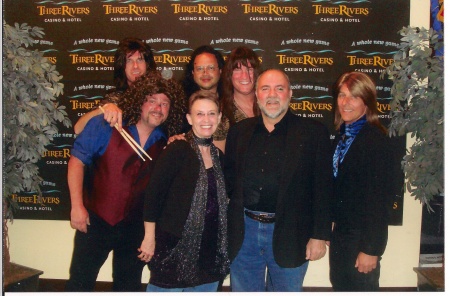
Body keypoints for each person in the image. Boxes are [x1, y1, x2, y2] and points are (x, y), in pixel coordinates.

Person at [65, 72, 186, 292]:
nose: (158, 108)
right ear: (140, 101)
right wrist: (76, 207)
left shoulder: (166, 142)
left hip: (135, 229)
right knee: (79, 283)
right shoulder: (108, 125)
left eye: (165, 104)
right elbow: (76, 162)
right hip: (95, 222)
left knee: (128, 286)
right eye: (152, 101)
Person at [224, 69, 333, 292]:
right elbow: (229, 183)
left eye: (279, 88)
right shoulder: (238, 132)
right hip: (244, 233)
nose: (272, 95)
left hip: (292, 233)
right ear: (257, 94)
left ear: (290, 94)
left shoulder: (313, 133)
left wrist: (319, 235)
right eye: (265, 89)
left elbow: (323, 188)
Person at [139, 90, 229, 292]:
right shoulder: (177, 149)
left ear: (219, 118)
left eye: (212, 113)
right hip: (174, 248)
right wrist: (148, 238)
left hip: (209, 251)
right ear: (189, 118)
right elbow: (153, 196)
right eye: (199, 114)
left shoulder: (219, 157)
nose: (206, 119)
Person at [329, 71, 393, 291]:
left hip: (361, 241)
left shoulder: (374, 141)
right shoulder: (344, 137)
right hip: (342, 237)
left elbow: (379, 201)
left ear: (367, 102)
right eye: (342, 95)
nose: (345, 102)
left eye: (354, 97)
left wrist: (371, 249)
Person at [73, 37, 157, 134]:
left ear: (147, 64)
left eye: (140, 60)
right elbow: (78, 128)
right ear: (122, 66)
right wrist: (104, 109)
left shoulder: (161, 95)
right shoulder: (116, 97)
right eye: (129, 61)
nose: (135, 66)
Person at [213, 46, 261, 152]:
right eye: (238, 69)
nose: (245, 76)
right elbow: (219, 161)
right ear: (229, 75)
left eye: (250, 69)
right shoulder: (221, 114)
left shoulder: (268, 107)